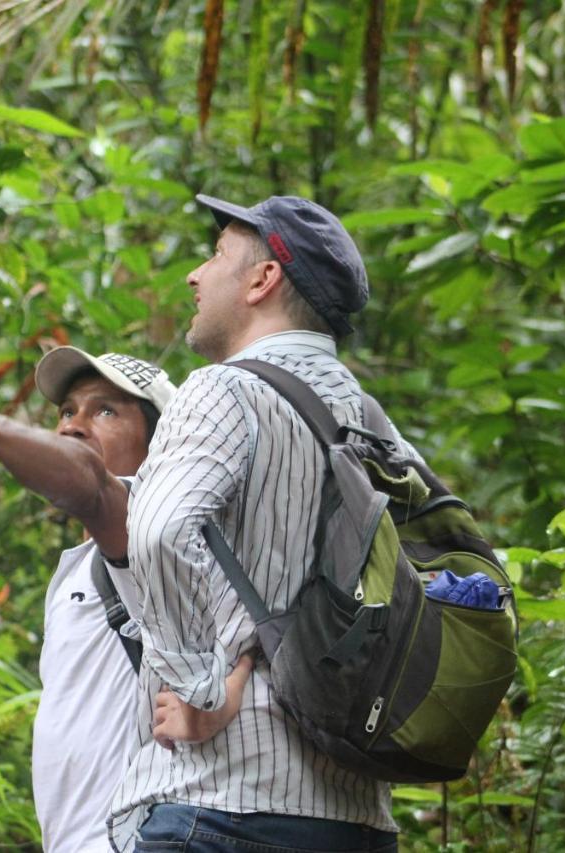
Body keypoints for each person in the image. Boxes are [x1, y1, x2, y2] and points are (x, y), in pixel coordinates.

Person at [107, 195, 408, 851]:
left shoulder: (224, 389)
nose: (196, 275)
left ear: (262, 279)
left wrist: (205, 686)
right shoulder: (372, 421)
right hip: (357, 816)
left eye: (217, 255)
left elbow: (157, 530)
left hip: (221, 802)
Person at [0, 347, 251, 852]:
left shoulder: (157, 540)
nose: (74, 426)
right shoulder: (84, 565)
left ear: (162, 442)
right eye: (66, 412)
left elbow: (92, 486)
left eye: (105, 411)